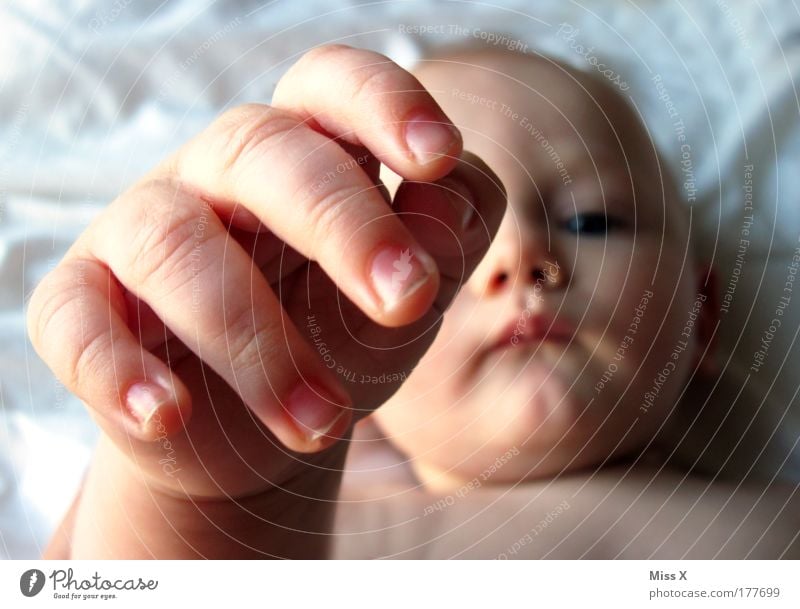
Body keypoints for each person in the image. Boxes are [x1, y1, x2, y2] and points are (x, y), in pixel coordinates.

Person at [31, 44, 799, 559]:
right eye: (433, 243)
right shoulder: (323, 529)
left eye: (592, 219)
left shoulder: (775, 529)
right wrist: (204, 482)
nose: (523, 257)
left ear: (702, 310)